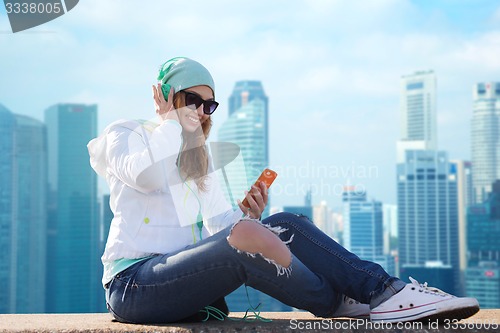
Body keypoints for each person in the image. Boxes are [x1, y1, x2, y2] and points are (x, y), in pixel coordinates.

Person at [87, 57, 479, 324]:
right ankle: (339, 301)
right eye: (193, 100)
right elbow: (145, 176)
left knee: (283, 223)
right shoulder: (125, 134)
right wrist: (168, 122)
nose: (201, 112)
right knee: (246, 240)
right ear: (167, 96)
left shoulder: (197, 161)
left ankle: (383, 291)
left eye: (210, 105)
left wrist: (249, 219)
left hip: (183, 284)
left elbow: (221, 229)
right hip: (133, 285)